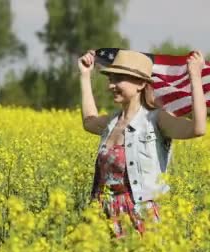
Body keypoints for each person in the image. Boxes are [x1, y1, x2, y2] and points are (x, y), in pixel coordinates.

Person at [78, 49, 206, 238]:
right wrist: (84, 75)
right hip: (103, 216)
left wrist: (195, 76)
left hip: (139, 216)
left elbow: (198, 128)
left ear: (140, 83)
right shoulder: (112, 122)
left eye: (117, 79)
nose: (110, 86)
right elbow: (89, 121)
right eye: (110, 79)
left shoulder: (156, 120)